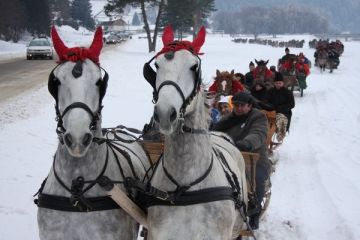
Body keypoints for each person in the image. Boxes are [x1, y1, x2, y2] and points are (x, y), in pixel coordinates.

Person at [212, 92, 271, 230]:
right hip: (229, 155)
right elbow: (215, 130)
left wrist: (246, 143)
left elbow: (259, 133)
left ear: (249, 106)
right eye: (236, 105)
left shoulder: (258, 117)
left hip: (253, 156)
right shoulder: (229, 118)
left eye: (242, 105)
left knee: (257, 177)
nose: (238, 108)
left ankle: (255, 210)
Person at [267, 72, 295, 142]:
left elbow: (292, 104)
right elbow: (266, 101)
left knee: (281, 119)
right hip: (271, 111)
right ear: (274, 83)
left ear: (283, 83)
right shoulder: (270, 91)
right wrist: (271, 107)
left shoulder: (288, 92)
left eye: (280, 83)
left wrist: (280, 108)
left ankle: (281, 133)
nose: (278, 85)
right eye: (277, 83)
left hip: (284, 112)